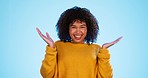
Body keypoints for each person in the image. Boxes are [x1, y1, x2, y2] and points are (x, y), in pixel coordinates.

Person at [36, 6, 122, 78]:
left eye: (82, 27)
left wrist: (104, 51)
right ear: (67, 28)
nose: (78, 31)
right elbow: (46, 74)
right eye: (73, 27)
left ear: (88, 29)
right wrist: (51, 47)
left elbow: (106, 76)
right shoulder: (58, 46)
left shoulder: (97, 49)